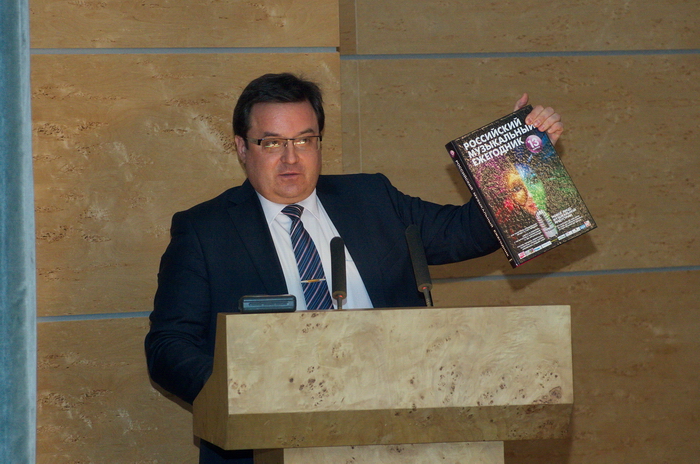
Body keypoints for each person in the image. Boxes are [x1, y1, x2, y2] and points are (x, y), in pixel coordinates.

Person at [144, 72, 564, 463]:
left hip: (400, 434)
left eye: (305, 140)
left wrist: (521, 156)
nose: (291, 158)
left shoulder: (372, 199)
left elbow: (467, 232)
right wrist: (240, 394)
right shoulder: (205, 230)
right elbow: (168, 345)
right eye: (271, 143)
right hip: (265, 445)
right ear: (241, 148)